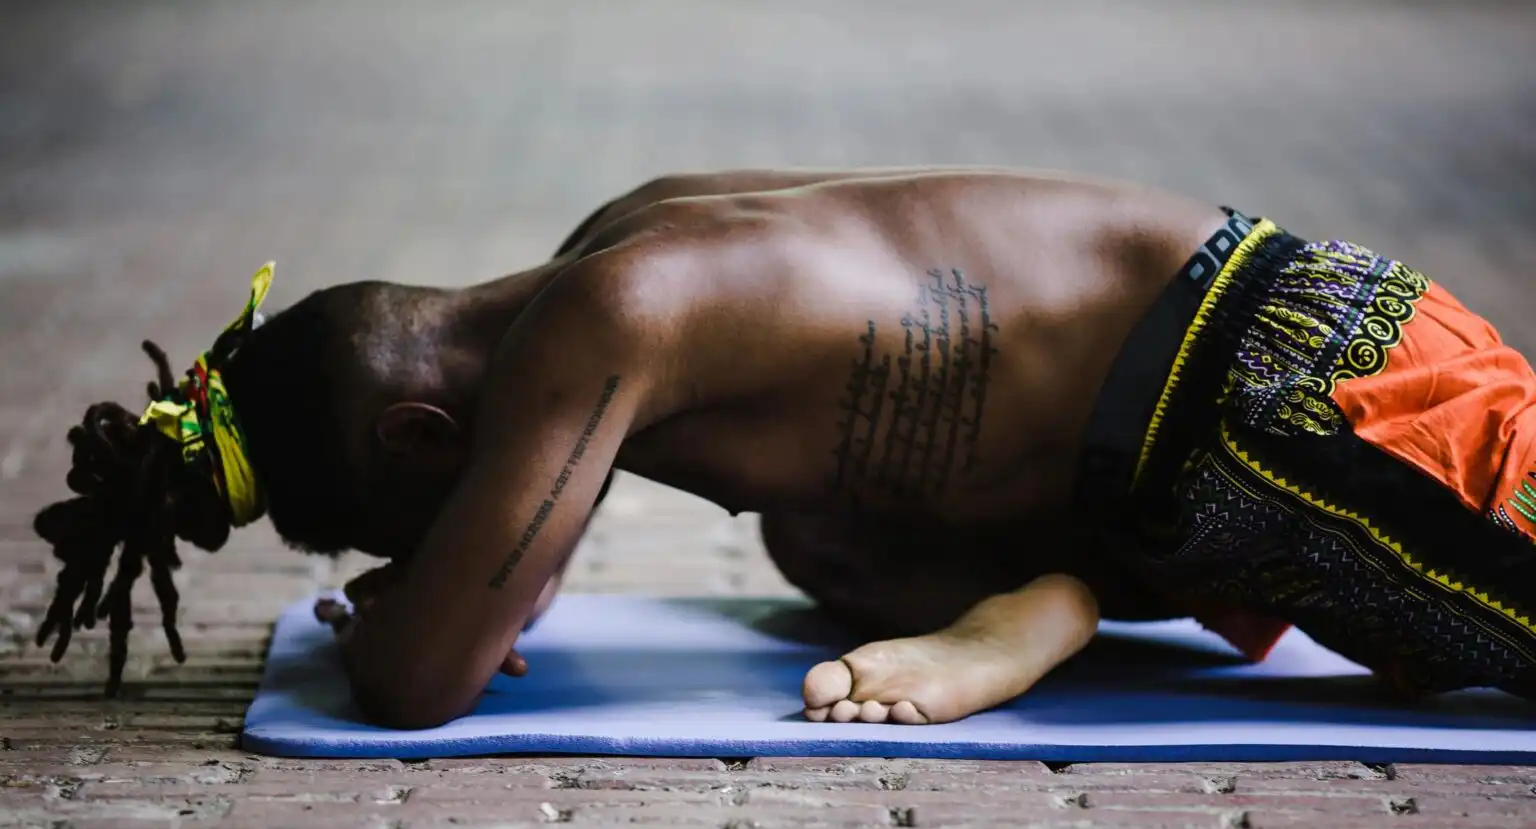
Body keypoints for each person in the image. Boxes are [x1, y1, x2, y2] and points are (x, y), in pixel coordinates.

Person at [33, 168, 1536, 728]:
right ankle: (1054, 597)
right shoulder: (610, 245)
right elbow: (523, 561)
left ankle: (1057, 596)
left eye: (401, 521)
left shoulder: (612, 313)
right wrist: (470, 572)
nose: (425, 547)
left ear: (427, 432)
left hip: (1288, 388)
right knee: (812, 533)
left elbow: (419, 680)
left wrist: (416, 612)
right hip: (1158, 476)